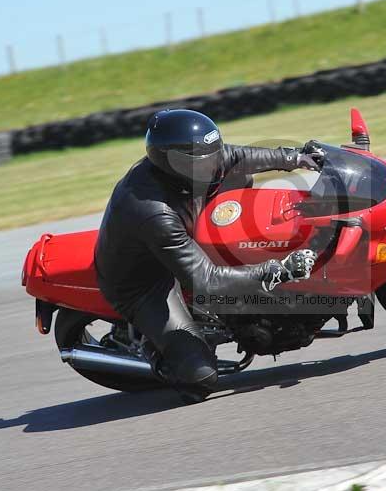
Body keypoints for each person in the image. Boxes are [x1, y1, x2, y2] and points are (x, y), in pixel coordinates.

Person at [94, 109, 324, 402]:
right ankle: (151, 347)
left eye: (212, 154)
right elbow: (207, 280)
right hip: (147, 283)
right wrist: (277, 270)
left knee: (241, 180)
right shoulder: (153, 211)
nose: (213, 165)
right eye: (203, 160)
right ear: (170, 161)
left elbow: (236, 156)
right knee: (199, 379)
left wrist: (297, 157)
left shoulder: (194, 165)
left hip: (182, 241)